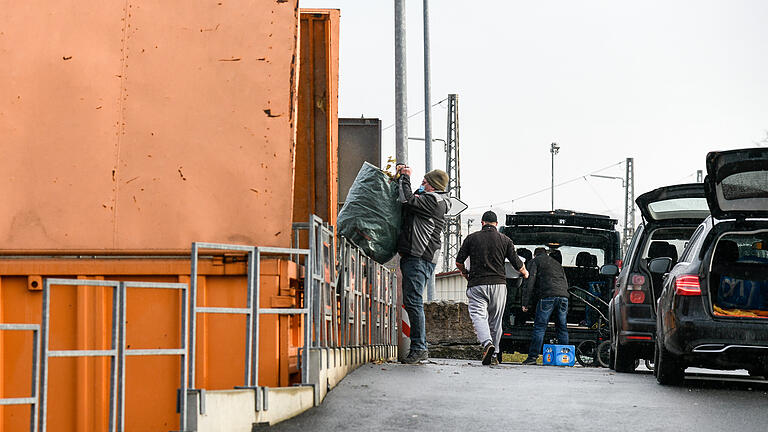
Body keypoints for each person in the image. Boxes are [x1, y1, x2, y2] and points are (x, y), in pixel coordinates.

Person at [455, 211, 529, 366]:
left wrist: (464, 272)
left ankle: (487, 343)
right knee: (496, 322)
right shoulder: (505, 240)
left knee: (478, 315)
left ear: (482, 223)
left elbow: (459, 261)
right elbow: (516, 262)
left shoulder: (471, 238)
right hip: (499, 285)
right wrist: (525, 272)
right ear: (496, 224)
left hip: (477, 284)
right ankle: (494, 354)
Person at [396, 164, 451, 364]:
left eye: (425, 182)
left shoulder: (433, 201)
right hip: (420, 257)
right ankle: (419, 347)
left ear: (434, 186)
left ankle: (419, 348)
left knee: (414, 302)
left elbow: (406, 199)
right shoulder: (435, 200)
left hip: (418, 257)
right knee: (413, 301)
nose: (422, 184)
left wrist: (405, 176)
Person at [521, 247, 570, 365]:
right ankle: (565, 358)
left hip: (548, 296)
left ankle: (532, 358)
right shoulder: (557, 263)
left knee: (540, 327)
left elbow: (530, 282)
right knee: (562, 327)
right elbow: (565, 282)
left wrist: (525, 302)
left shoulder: (535, 262)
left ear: (534, 254)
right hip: (563, 296)